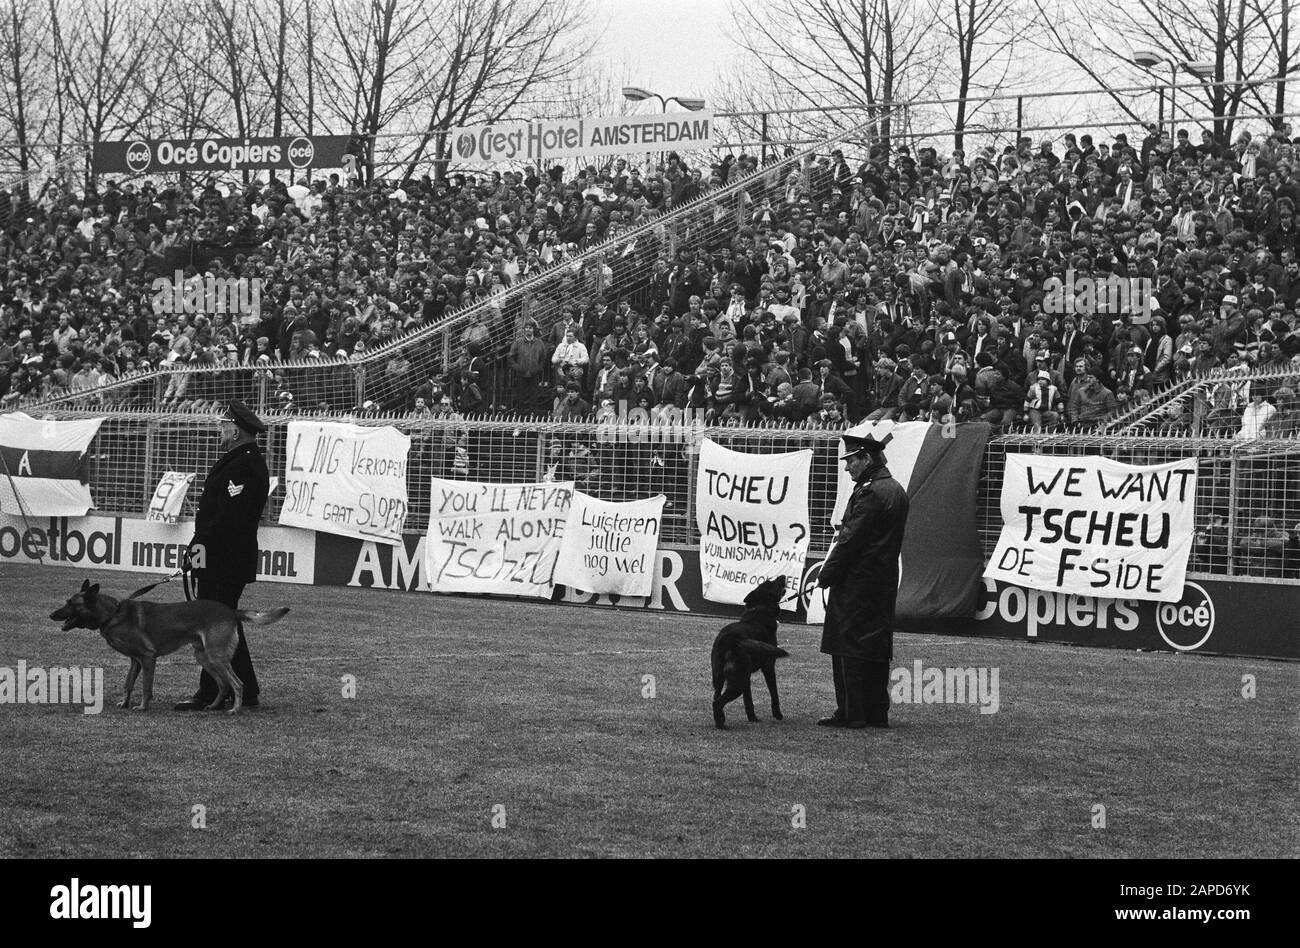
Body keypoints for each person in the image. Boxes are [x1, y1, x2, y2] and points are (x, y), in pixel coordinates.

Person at [175, 399, 270, 711]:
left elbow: (228, 518)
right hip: (218, 556)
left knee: (214, 622)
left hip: (225, 558)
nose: (221, 429)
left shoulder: (244, 464)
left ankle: (210, 691)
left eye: (225, 425)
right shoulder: (239, 459)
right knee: (223, 621)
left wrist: (198, 545)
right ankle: (246, 689)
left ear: (238, 430)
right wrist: (199, 549)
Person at [816, 430, 910, 728]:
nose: (847, 468)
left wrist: (827, 574)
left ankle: (851, 713)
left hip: (857, 582)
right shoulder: (895, 489)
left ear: (865, 458)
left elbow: (850, 540)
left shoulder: (869, 492)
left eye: (851, 461)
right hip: (882, 580)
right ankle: (876, 712)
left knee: (847, 645)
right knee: (876, 647)